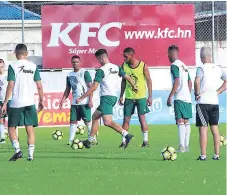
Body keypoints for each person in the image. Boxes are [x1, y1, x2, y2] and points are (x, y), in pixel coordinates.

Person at [76, 49, 138, 149]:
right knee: (95, 116)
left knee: (107, 122)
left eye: (98, 59)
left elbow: (94, 87)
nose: (98, 61)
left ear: (100, 58)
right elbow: (128, 77)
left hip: (106, 98)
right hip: (113, 97)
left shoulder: (101, 70)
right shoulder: (116, 67)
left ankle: (126, 135)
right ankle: (89, 140)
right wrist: (134, 86)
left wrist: (82, 97)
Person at [1, 44, 44, 161]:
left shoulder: (13, 66)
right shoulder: (33, 66)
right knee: (29, 127)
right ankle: (31, 155)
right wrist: (41, 100)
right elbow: (39, 86)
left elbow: (10, 84)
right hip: (30, 102)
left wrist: (5, 102)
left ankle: (17, 150)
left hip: (16, 102)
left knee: (11, 127)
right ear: (27, 53)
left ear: (16, 53)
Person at [194, 46, 226, 161]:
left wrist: (197, 93)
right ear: (210, 56)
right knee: (215, 129)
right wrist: (218, 91)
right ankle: (216, 155)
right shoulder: (218, 68)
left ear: (201, 57)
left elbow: (197, 81)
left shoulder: (201, 68)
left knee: (203, 129)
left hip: (203, 102)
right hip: (214, 102)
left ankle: (203, 155)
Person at [118, 47, 152, 147]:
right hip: (129, 97)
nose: (124, 58)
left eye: (126, 56)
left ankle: (145, 141)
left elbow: (149, 80)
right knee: (126, 119)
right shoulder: (124, 66)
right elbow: (123, 81)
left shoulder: (143, 66)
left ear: (132, 55)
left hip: (141, 97)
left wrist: (150, 96)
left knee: (142, 119)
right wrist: (121, 95)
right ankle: (124, 141)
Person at [59, 55, 93, 145]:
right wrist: (62, 100)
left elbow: (91, 87)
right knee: (73, 121)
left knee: (87, 122)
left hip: (84, 102)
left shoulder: (85, 73)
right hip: (74, 102)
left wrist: (90, 100)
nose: (75, 64)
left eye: (77, 62)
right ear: (71, 63)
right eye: (73, 62)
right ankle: (70, 141)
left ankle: (92, 138)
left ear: (80, 62)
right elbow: (67, 89)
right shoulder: (69, 75)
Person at [167, 45, 192, 152]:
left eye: (168, 53)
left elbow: (177, 81)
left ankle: (181, 146)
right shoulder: (184, 65)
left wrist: (170, 96)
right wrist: (187, 92)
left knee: (180, 121)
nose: (168, 56)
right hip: (187, 97)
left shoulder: (174, 66)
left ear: (172, 53)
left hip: (179, 97)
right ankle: (186, 146)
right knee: (186, 121)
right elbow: (190, 82)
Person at [0, 59, 19, 144]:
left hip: (10, 99)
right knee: (1, 119)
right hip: (0, 100)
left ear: (4, 67)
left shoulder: (8, 76)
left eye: (2, 67)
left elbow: (13, 86)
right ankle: (2, 138)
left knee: (12, 120)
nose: (0, 69)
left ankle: (16, 137)